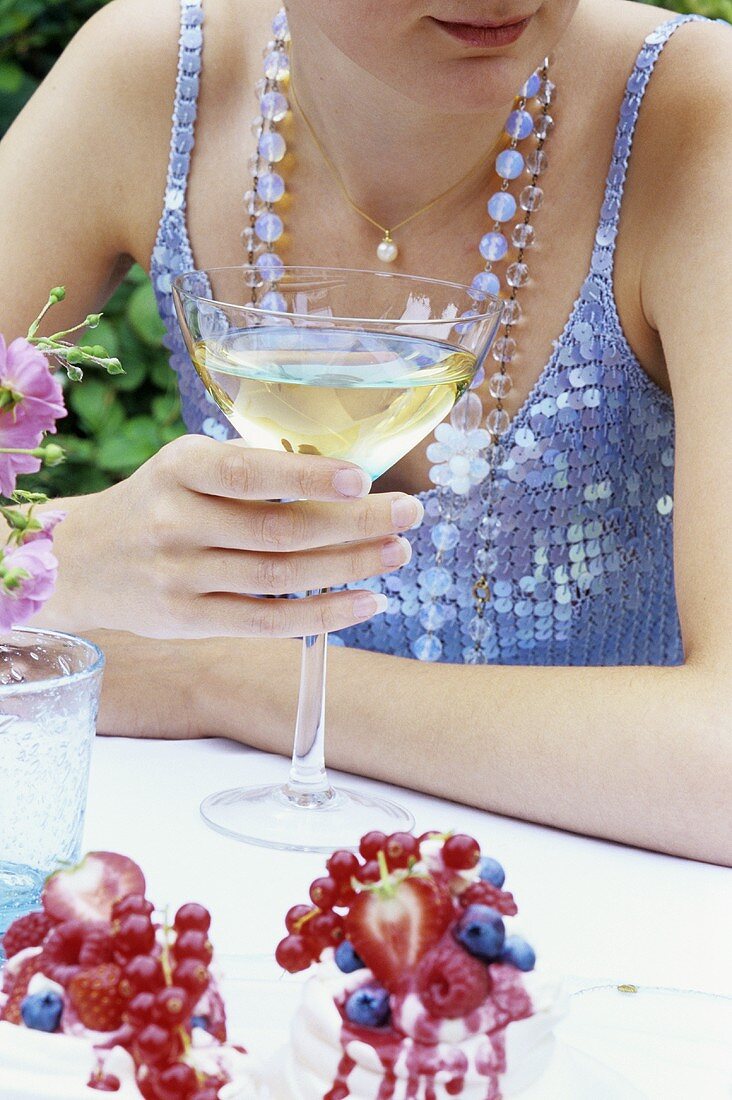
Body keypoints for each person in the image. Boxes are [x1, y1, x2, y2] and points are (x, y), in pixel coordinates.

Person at [0, 0, 729, 864]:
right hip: (228, 866)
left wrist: (220, 677)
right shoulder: (156, 78)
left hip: (615, 916)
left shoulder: (693, 116)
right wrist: (57, 553)